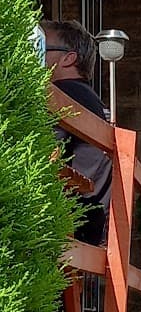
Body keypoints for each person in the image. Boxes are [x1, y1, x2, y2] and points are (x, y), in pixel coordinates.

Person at [42, 20, 112, 246]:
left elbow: (34, 153)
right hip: (89, 221)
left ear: (68, 58)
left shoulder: (63, 94)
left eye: (41, 46)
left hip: (64, 221)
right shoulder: (89, 99)